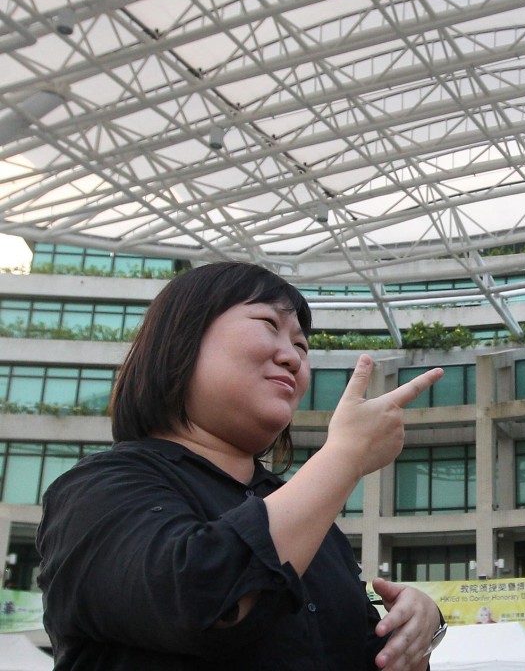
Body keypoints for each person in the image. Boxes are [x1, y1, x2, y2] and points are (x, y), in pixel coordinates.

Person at [36, 262, 447, 671]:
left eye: (302, 347)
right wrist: (345, 456)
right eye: (269, 323)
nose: (292, 358)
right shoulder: (97, 489)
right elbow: (207, 604)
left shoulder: (306, 518)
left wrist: (415, 633)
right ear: (183, 336)